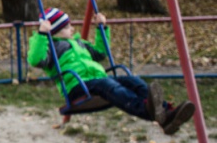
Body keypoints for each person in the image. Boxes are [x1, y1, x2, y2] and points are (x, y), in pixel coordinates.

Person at [28, 7, 195, 134]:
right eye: (67, 27)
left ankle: (166, 113)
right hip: (77, 87)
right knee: (110, 86)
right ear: (54, 31)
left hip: (96, 80)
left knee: (133, 81)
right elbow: (35, 60)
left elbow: (101, 52)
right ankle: (146, 110)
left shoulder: (79, 44)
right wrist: (41, 35)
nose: (72, 29)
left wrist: (102, 29)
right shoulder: (51, 48)